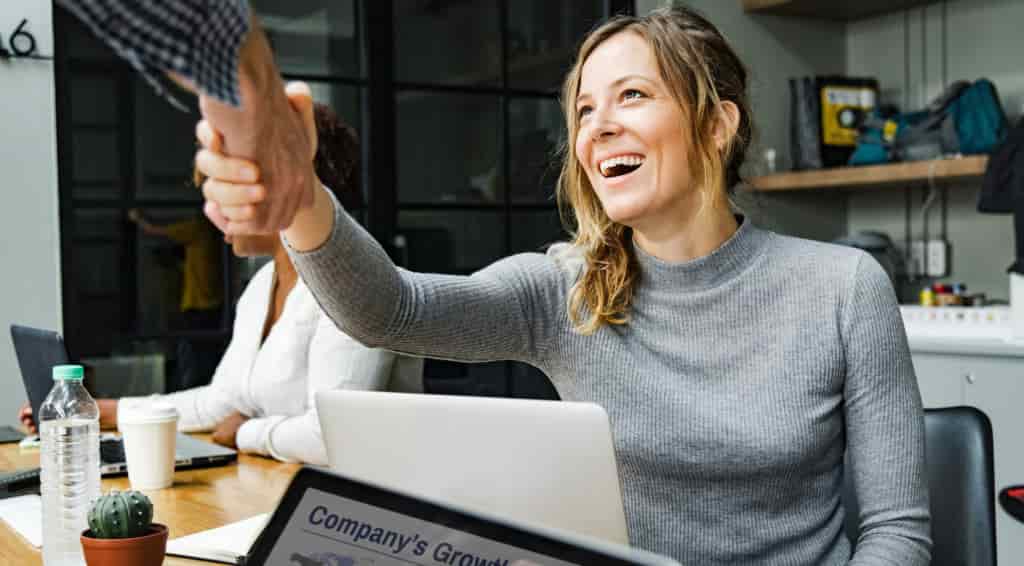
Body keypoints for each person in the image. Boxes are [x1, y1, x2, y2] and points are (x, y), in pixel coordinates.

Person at [58, 2, 930, 563]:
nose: (599, 127)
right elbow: (389, 307)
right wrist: (301, 190)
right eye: (585, 109)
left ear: (715, 123)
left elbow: (895, 533)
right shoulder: (564, 291)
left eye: (631, 96)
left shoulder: (843, 290)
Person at [21, 103, 411, 466]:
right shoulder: (263, 285)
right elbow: (219, 403)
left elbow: (330, 435)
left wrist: (246, 431)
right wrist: (100, 412)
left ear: (281, 183)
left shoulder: (355, 279)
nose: (213, 209)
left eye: (225, 187)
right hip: (281, 485)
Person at [127, 208, 224, 390]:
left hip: (198, 305)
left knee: (192, 355)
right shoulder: (214, 237)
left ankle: (192, 388)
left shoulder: (198, 229)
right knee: (205, 354)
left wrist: (136, 218)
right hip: (213, 304)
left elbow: (154, 231)